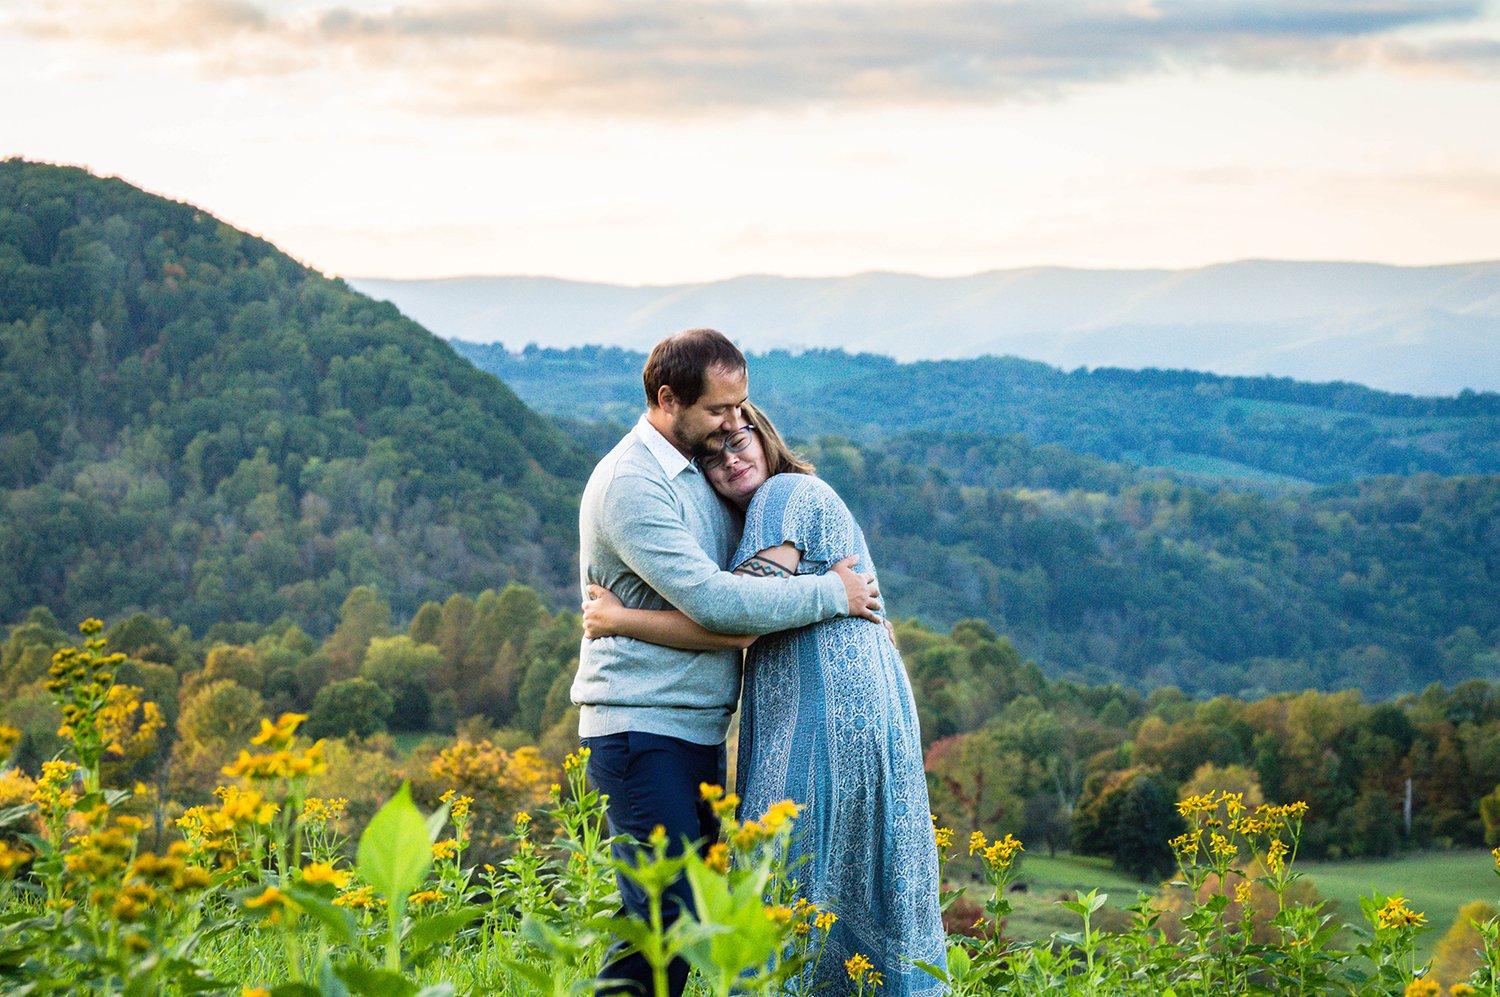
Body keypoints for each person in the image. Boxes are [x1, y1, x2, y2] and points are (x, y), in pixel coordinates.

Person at [582, 400, 947, 996]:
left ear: (764, 434)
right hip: (860, 704)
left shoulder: (783, 498)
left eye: (738, 438)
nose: (728, 459)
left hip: (824, 709)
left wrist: (620, 619)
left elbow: (738, 619)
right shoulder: (774, 507)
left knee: (780, 876)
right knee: (845, 870)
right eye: (710, 454)